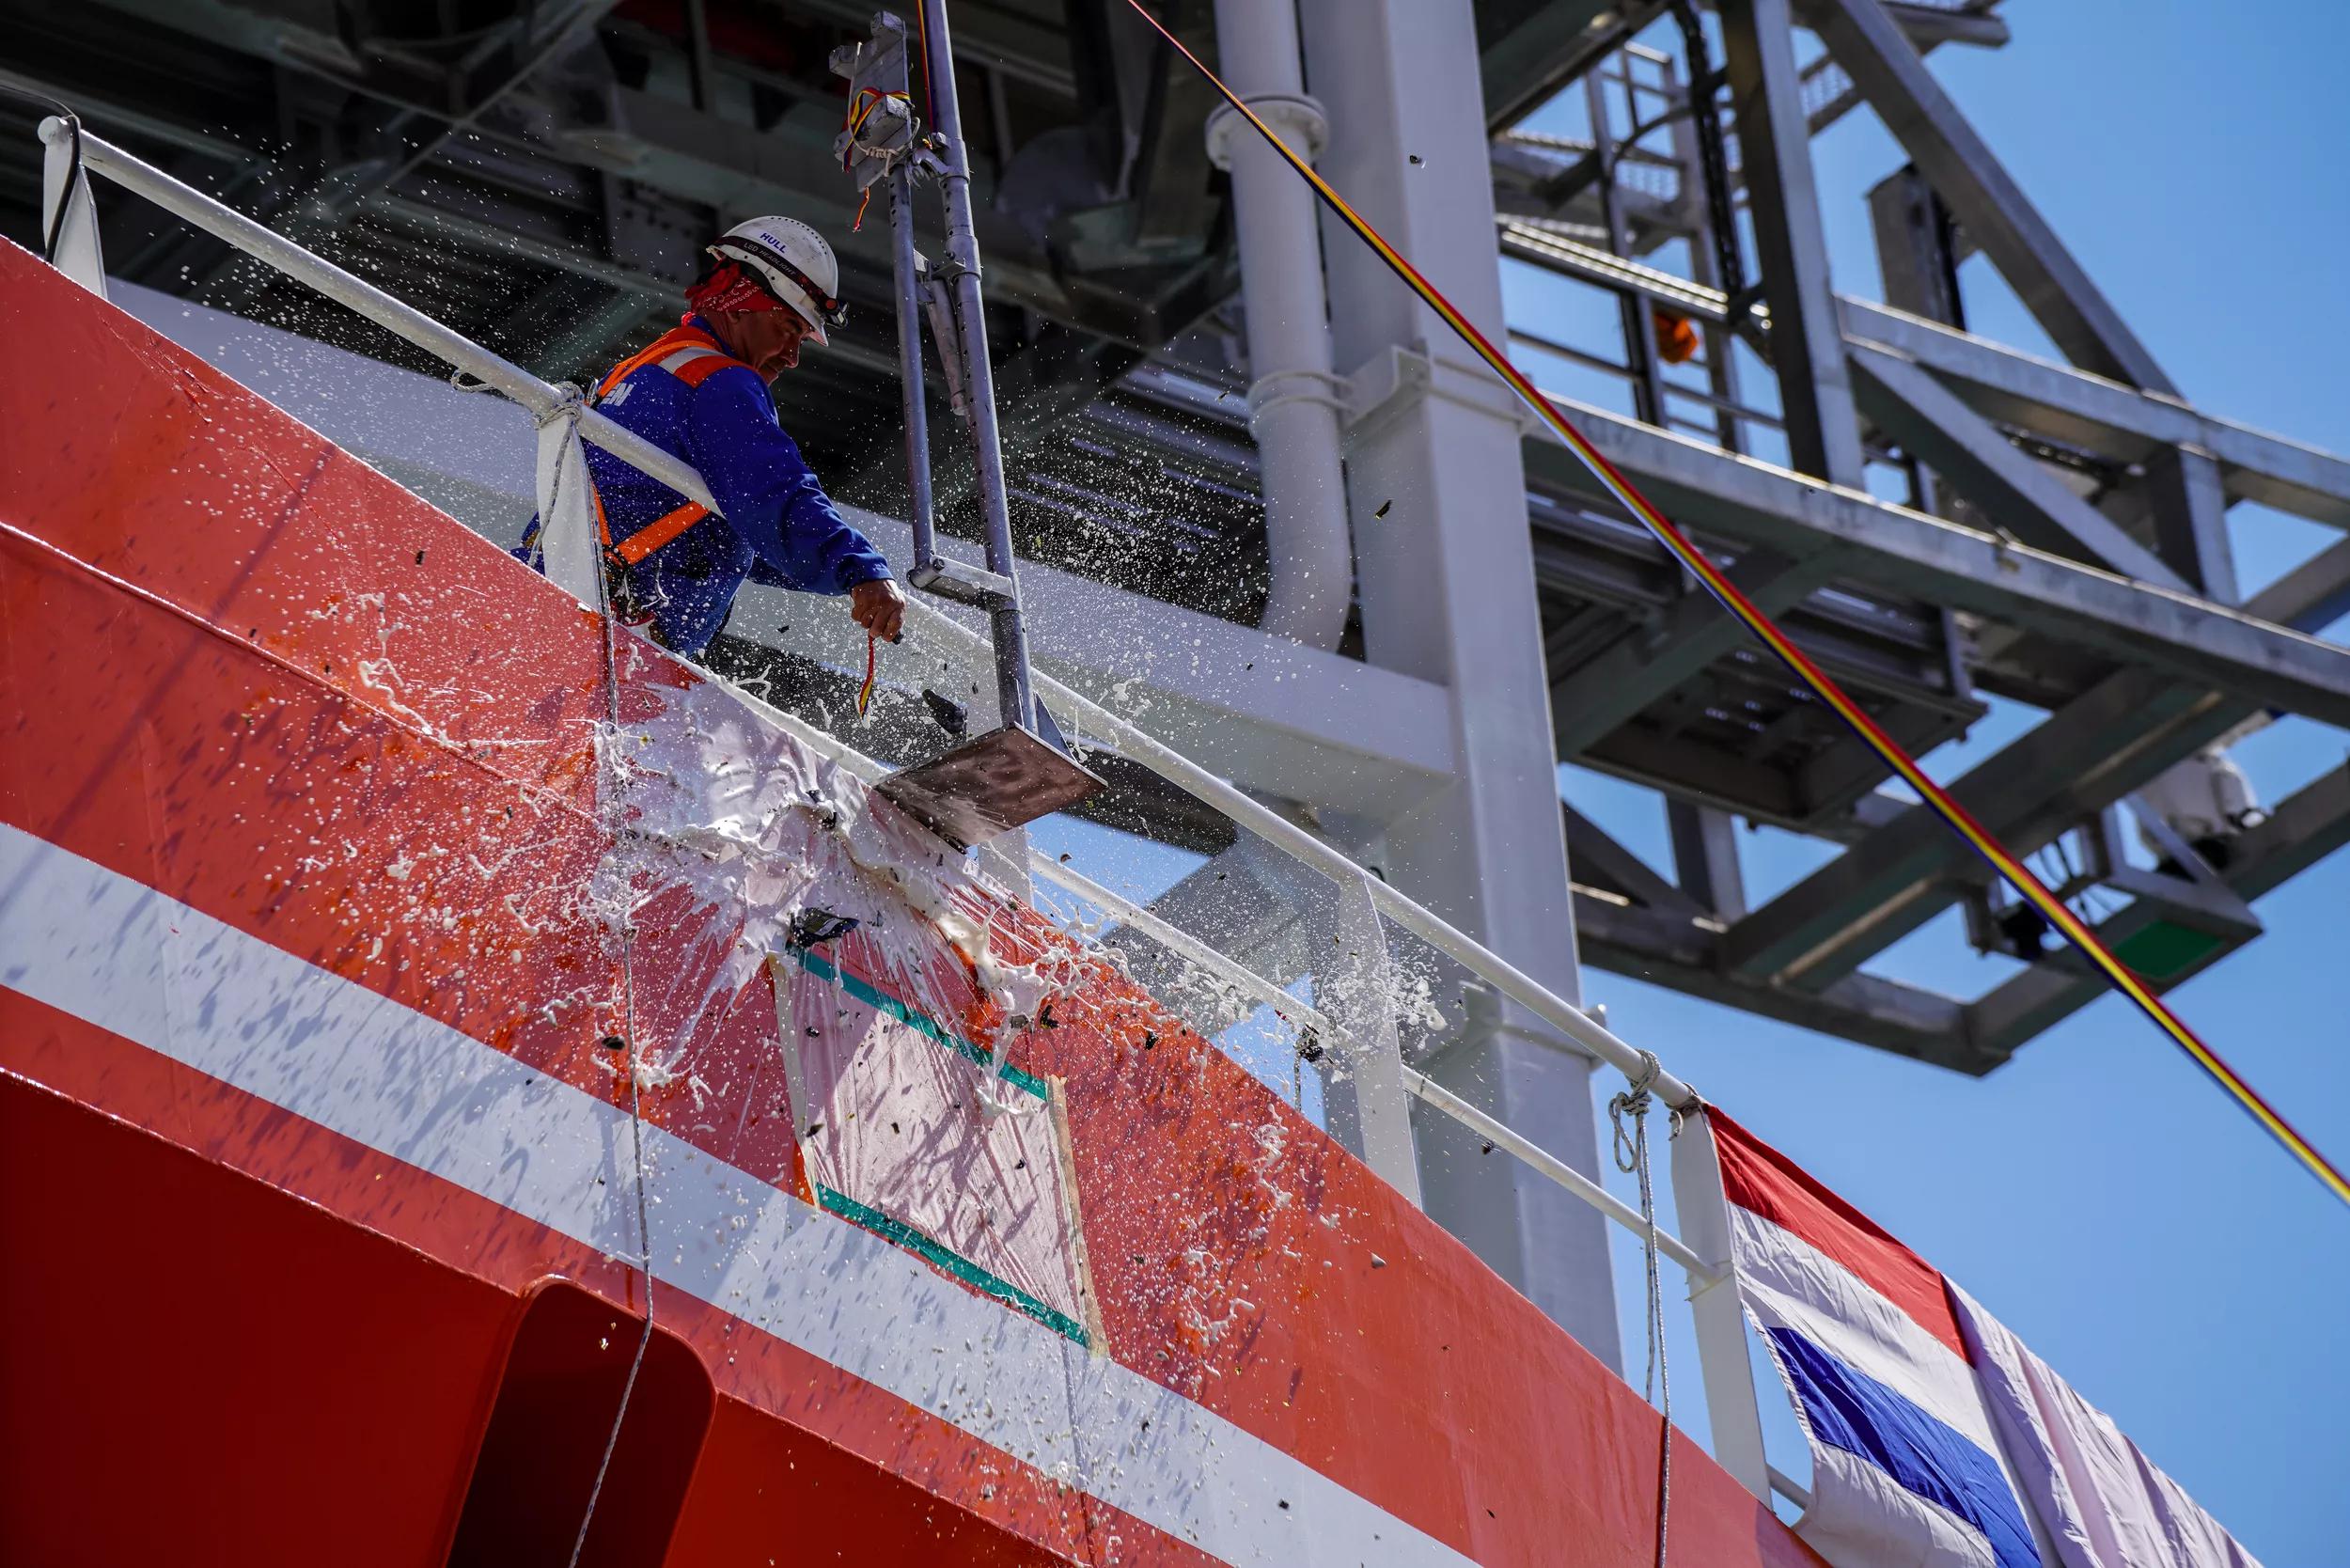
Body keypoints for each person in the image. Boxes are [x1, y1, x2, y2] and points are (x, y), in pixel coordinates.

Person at [517, 214, 906, 655]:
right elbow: (771, 493)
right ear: (741, 307)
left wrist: (836, 570)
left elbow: (725, 527)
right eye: (788, 329)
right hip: (595, 630)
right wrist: (861, 569)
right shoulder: (720, 382)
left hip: (553, 601)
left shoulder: (647, 367)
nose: (793, 356)